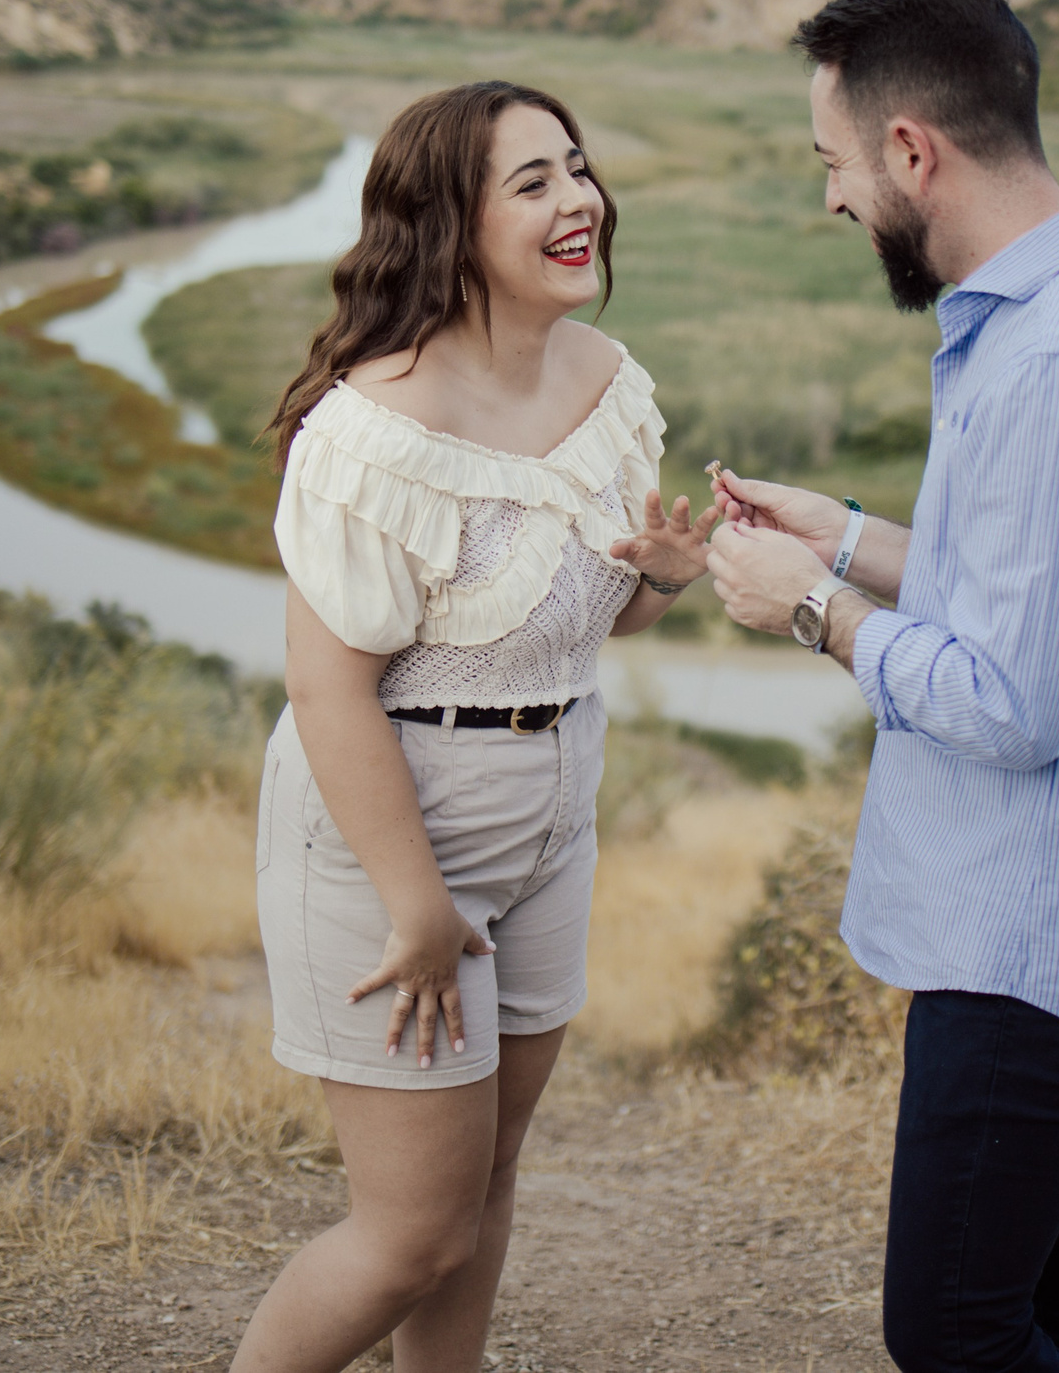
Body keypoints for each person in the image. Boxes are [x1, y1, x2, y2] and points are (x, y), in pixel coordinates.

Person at [702, 0, 1059, 1373]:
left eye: (833, 163)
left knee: (951, 1328)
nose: (832, 199)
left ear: (911, 149)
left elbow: (1009, 700)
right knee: (1043, 1300)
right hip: (1058, 914)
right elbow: (1028, 588)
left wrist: (812, 611)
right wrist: (844, 537)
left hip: (1026, 935)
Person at [232, 81, 720, 1373]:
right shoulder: (373, 431)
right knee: (412, 1236)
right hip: (399, 835)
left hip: (554, 810)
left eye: (578, 168)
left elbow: (588, 625)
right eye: (533, 182)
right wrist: (419, 906)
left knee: (488, 1180)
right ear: (451, 223)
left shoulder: (607, 383)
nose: (579, 201)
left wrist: (665, 578)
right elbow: (329, 691)